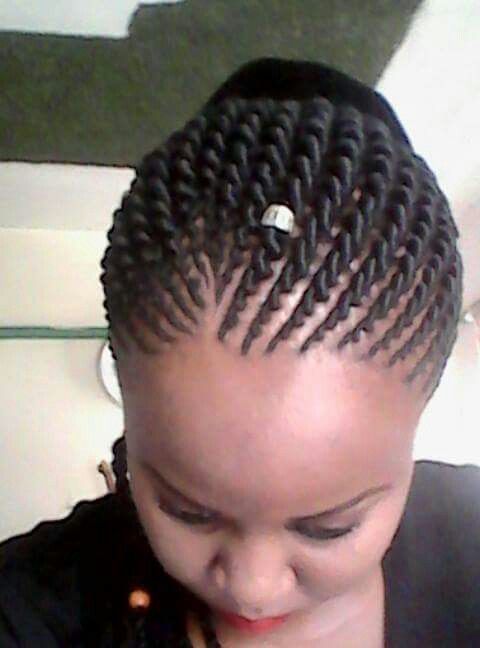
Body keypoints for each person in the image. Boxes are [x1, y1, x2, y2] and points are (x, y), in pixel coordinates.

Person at [1, 57, 479, 647]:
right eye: (188, 511)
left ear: (417, 416)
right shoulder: (35, 606)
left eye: (328, 528)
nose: (253, 589)